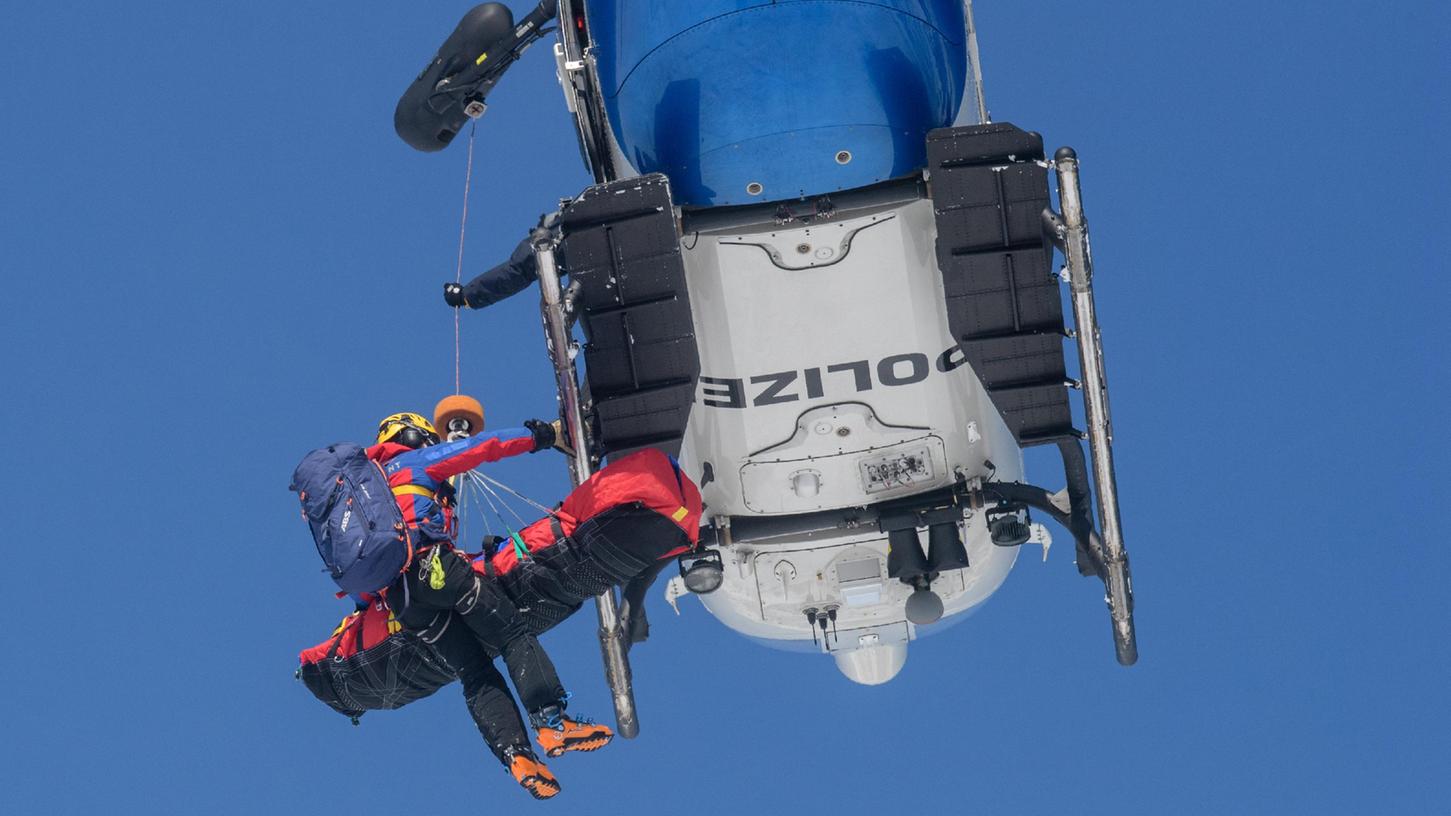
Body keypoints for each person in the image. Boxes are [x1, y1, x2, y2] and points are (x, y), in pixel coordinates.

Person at [369, 411, 612, 799]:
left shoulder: (371, 491)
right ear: (416, 437)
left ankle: (517, 755)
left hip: (403, 601)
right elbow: (483, 447)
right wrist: (542, 436)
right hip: (435, 569)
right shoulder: (411, 462)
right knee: (512, 631)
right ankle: (552, 721)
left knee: (474, 671)